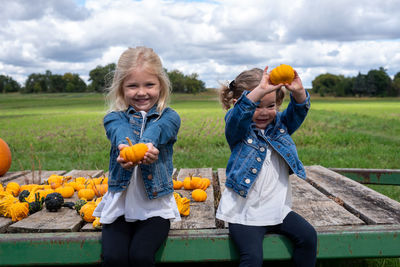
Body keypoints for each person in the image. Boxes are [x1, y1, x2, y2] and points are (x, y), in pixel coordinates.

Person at [216, 66, 317, 266]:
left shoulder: (280, 126)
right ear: (240, 104)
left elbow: (298, 111)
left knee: (308, 238)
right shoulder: (239, 131)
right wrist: (260, 91)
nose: (263, 113)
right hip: (244, 213)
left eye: (270, 106)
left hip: (278, 210)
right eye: (257, 105)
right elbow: (236, 117)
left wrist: (297, 91)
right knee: (252, 258)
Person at [93, 46, 181, 267]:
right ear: (121, 88)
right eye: (133, 86)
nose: (142, 92)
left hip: (155, 207)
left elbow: (160, 129)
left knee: (141, 256)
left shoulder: (169, 117)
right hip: (120, 206)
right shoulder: (114, 118)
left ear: (160, 85)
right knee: (114, 258)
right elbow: (117, 132)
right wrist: (125, 148)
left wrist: (145, 145)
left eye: (149, 84)